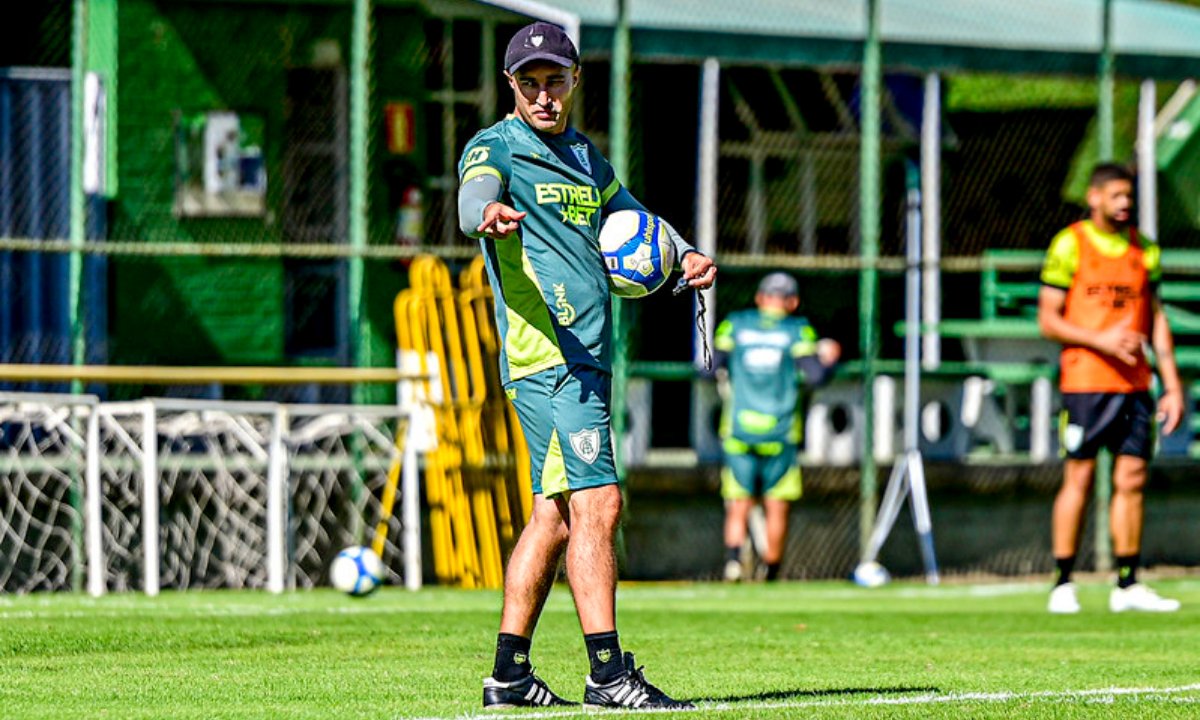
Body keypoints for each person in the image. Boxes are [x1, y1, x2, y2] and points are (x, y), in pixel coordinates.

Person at [456, 22, 717, 710]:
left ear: (576, 81)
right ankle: (608, 673)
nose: (544, 94)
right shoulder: (498, 146)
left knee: (554, 518)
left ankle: (508, 675)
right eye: (530, 82)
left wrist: (683, 253)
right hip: (549, 359)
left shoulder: (584, 157)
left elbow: (629, 213)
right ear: (510, 85)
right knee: (599, 503)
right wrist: (485, 213)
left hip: (585, 360)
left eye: (555, 80)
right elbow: (471, 191)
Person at [1038, 162, 1183, 614]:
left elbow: (1156, 319)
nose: (1125, 204)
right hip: (1086, 384)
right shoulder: (1070, 244)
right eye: (1116, 195)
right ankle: (1063, 580)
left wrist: (1172, 384)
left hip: (1135, 384)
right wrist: (1100, 339)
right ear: (1094, 196)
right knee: (1078, 476)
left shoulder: (1144, 249)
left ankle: (1128, 583)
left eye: (1129, 196)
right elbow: (1048, 319)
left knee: (1132, 478)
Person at [712, 272, 840, 582]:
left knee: (738, 502)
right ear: (793, 302)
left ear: (759, 298)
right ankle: (771, 570)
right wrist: (831, 359)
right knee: (776, 505)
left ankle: (733, 562)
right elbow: (815, 377)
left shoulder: (735, 324)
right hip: (781, 430)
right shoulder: (797, 330)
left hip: (739, 428)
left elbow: (708, 366)